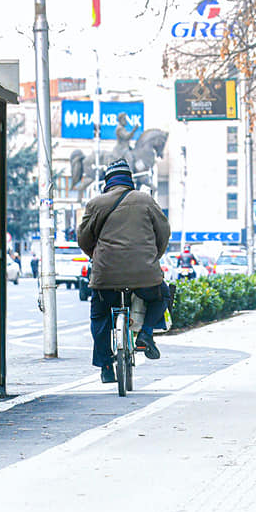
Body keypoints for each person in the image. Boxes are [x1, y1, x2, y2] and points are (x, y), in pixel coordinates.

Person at [79, 159, 170, 383]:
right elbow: (164, 232)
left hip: (105, 276)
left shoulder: (96, 204)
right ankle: (146, 333)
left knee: (99, 315)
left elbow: (83, 239)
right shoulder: (146, 200)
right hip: (145, 274)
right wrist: (152, 257)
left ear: (107, 181)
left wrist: (96, 256)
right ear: (130, 181)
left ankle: (106, 367)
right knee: (162, 295)